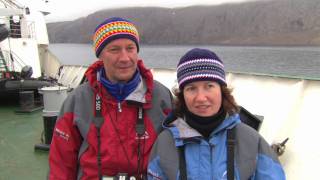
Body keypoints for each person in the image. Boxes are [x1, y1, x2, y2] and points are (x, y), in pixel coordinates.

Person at [48, 17, 173, 180]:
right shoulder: (78, 100)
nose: (125, 58)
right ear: (100, 55)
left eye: (130, 48)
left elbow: (177, 155)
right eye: (114, 50)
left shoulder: (161, 96)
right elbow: (61, 163)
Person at [147, 48, 286, 180]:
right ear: (182, 95)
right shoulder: (165, 144)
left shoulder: (251, 141)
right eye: (191, 88)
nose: (201, 97)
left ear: (222, 90)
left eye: (209, 86)